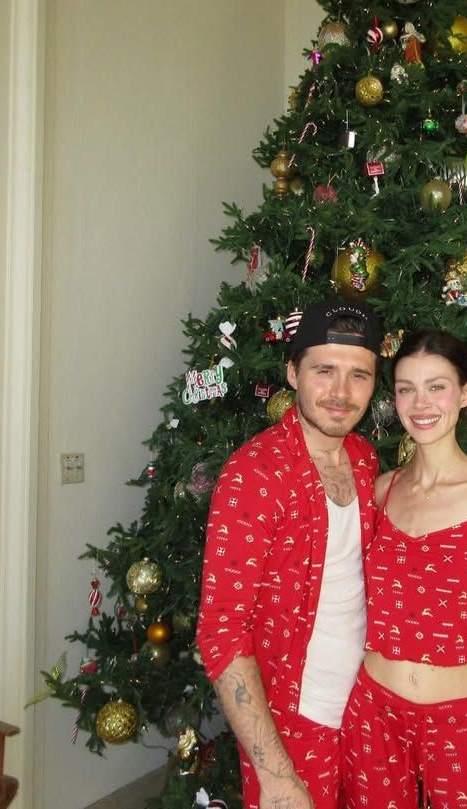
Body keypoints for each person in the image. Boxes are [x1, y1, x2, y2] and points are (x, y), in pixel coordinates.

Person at [196, 299, 383, 809]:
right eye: (324, 371)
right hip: (295, 724)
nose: (341, 393)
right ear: (293, 374)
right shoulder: (254, 474)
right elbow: (221, 632)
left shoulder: (364, 459)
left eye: (359, 375)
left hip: (369, 713)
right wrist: (275, 775)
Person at [341, 329, 467, 809]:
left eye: (436, 387)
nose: (420, 403)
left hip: (460, 720)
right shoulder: (381, 490)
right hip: (373, 713)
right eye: (406, 389)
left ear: (465, 393)